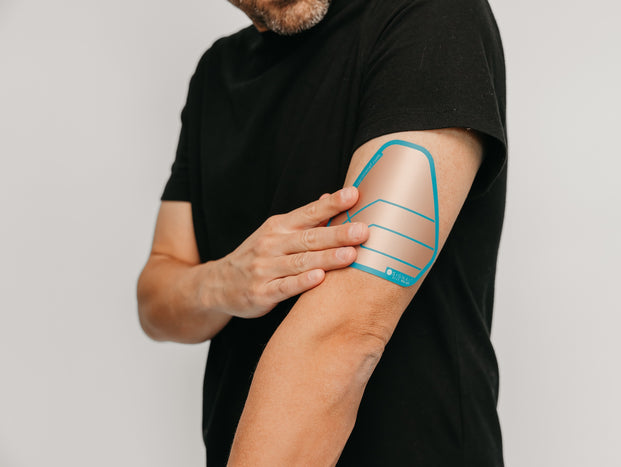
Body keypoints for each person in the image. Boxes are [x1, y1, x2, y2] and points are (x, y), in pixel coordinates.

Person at [136, 0, 508, 465]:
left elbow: (345, 334)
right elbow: (155, 302)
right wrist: (223, 282)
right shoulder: (216, 74)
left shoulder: (429, 15)